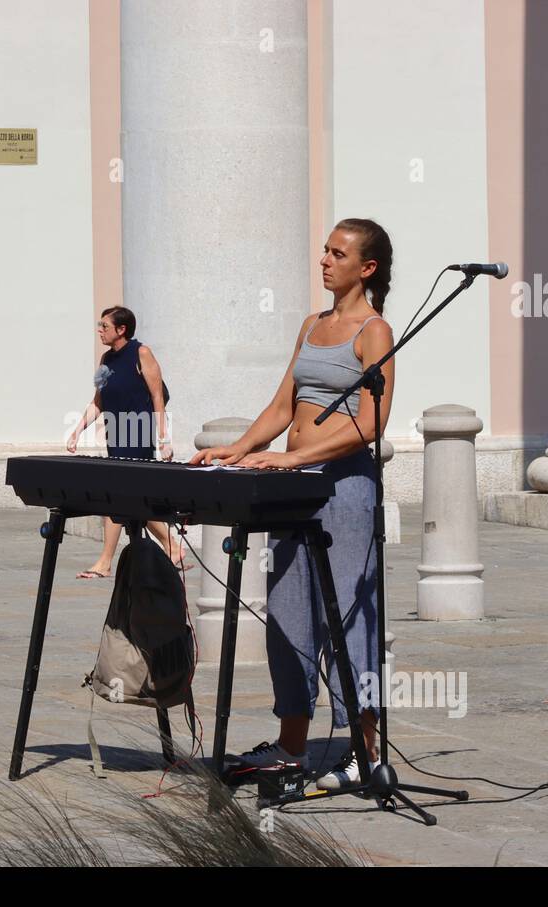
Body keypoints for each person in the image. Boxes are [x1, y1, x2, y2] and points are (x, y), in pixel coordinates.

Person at [190, 218, 394, 790]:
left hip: (345, 489)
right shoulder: (312, 325)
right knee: (287, 614)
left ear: (366, 268)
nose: (325, 261)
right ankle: (292, 745)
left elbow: (372, 422)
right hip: (293, 488)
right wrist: (239, 448)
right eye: (325, 251)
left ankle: (364, 752)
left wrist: (293, 458)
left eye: (338, 254)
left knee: (349, 619)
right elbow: (283, 407)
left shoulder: (373, 331)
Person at [65, 305, 189, 578]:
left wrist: (164, 438)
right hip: (116, 435)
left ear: (121, 329)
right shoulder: (106, 359)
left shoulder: (141, 353)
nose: (100, 331)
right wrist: (77, 430)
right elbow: (99, 400)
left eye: (104, 326)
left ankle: (105, 561)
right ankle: (172, 545)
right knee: (131, 499)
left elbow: (157, 396)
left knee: (117, 496)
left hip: (138, 435)